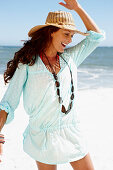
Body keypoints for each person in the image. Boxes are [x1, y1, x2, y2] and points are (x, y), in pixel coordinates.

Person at [0, 0, 105, 169]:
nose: (70, 40)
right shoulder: (28, 63)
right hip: (42, 136)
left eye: (72, 35)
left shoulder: (70, 57)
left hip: (71, 132)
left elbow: (96, 37)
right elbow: (8, 103)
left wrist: (78, 8)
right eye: (66, 34)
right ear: (51, 32)